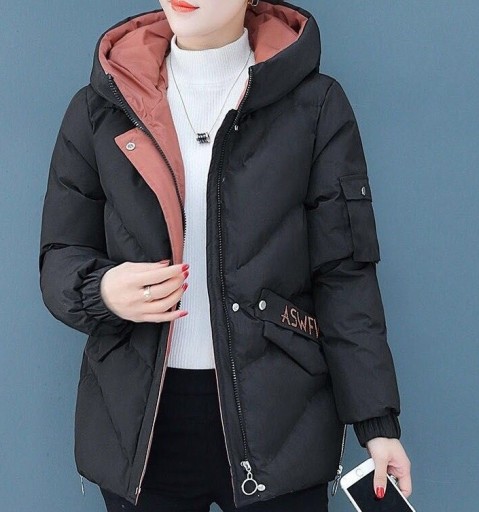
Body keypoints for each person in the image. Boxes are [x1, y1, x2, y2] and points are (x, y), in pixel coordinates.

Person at [39, 0, 412, 511]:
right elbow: (60, 254)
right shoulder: (99, 107)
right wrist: (101, 290)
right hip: (140, 428)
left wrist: (377, 423)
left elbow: (344, 275)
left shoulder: (316, 105)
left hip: (280, 425)